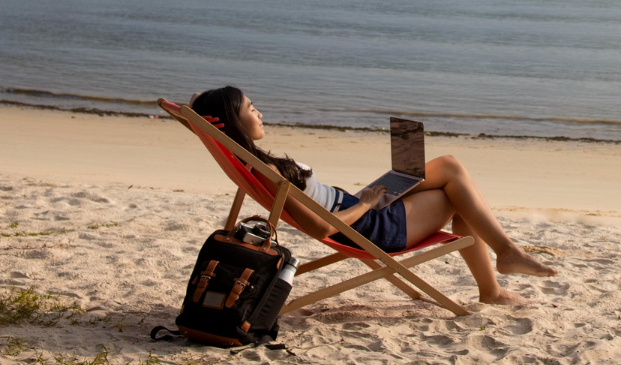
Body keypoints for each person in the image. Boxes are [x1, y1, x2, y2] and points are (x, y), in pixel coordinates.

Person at [189, 85, 556, 306]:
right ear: (235, 122)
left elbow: (201, 107)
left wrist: (199, 110)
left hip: (357, 209)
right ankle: (502, 264)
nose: (261, 113)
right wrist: (365, 203)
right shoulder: (265, 173)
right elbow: (320, 229)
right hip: (370, 228)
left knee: (447, 165)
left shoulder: (249, 161)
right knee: (457, 189)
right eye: (252, 109)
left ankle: (499, 272)